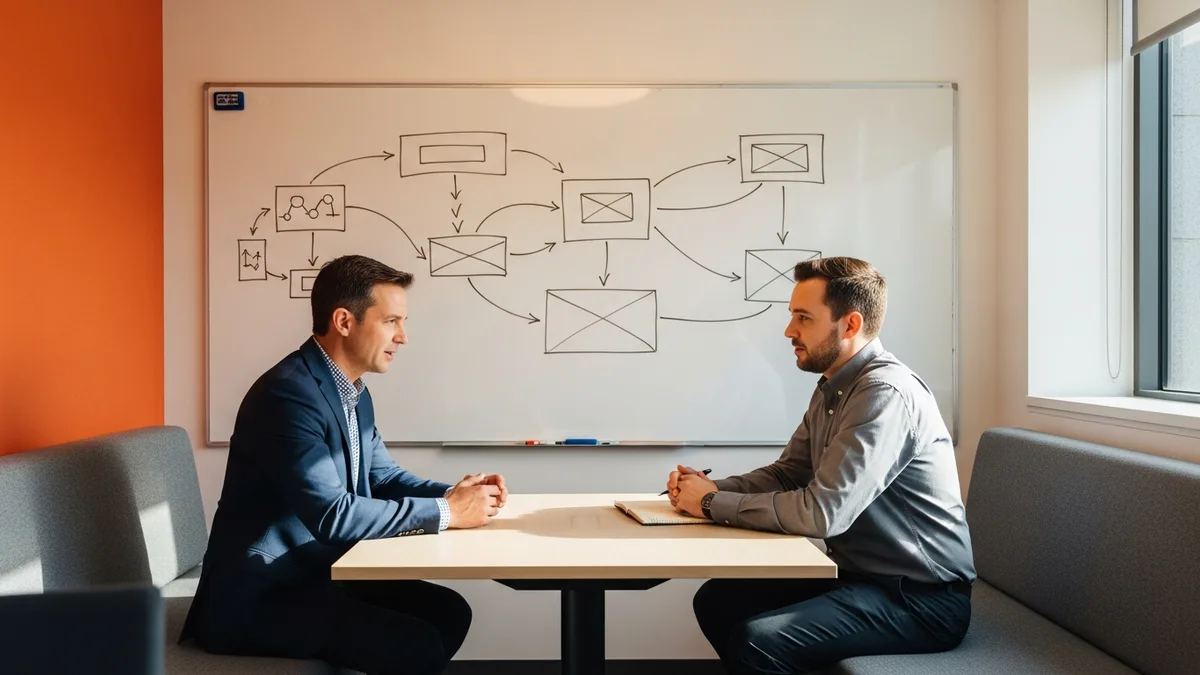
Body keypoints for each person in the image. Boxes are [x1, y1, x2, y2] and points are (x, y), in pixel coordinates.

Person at [180, 254, 507, 675]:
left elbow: (383, 477)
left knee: (449, 612)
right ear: (344, 321)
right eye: (391, 321)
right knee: (417, 644)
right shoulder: (289, 397)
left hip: (316, 575)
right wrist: (450, 512)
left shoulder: (353, 391)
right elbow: (333, 514)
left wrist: (457, 496)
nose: (403, 337)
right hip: (262, 598)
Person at [666, 256, 975, 674]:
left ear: (849, 324)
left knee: (759, 643)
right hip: (858, 578)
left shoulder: (883, 394)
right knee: (718, 601)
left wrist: (710, 503)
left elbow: (822, 512)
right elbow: (787, 474)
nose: (789, 330)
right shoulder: (835, 385)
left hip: (919, 600)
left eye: (803, 318)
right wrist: (703, 488)